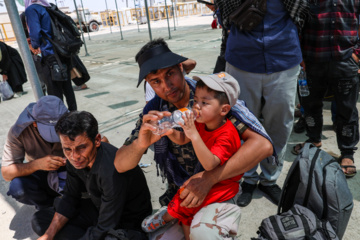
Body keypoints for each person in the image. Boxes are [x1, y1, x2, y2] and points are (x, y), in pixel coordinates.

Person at [114, 38, 274, 239]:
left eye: (170, 74)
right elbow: (120, 164)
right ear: (149, 84)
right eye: (156, 81)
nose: (167, 86)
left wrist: (209, 179)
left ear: (181, 68)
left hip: (218, 190)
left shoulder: (208, 98)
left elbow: (263, 145)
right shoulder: (155, 110)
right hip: (181, 195)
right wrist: (140, 144)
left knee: (205, 234)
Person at [218, 0, 303, 207]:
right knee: (242, 125)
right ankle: (247, 178)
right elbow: (224, 14)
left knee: (280, 124)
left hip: (284, 57)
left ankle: (269, 179)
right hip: (242, 59)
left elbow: (303, 13)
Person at [142, 73, 242, 239]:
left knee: (188, 199)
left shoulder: (227, 134)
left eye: (204, 103)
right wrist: (170, 131)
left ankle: (166, 217)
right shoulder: (202, 122)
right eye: (195, 101)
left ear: (223, 109)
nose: (196, 107)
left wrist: (194, 134)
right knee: (188, 200)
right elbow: (182, 139)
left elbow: (210, 164)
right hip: (207, 177)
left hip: (224, 183)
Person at [32, 111, 152, 240]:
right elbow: (70, 198)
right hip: (99, 209)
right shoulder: (75, 160)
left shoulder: (110, 170)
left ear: (97, 140)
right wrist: (47, 236)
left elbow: (107, 225)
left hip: (126, 224)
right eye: (67, 149)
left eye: (81, 147)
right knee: (40, 221)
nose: (74, 156)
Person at [292, 0, 359, 178]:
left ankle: (347, 153)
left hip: (345, 61)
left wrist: (357, 55)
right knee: (310, 105)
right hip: (312, 60)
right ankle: (314, 140)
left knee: (347, 109)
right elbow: (296, 25)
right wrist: (299, 55)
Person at [1, 96, 68, 209]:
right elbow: (6, 174)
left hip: (70, 169)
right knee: (18, 188)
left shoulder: (75, 121)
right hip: (41, 173)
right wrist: (36, 164)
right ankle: (48, 205)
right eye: (49, 131)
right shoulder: (18, 132)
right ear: (34, 123)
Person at [25, 0, 77, 111]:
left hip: (50, 55)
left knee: (54, 93)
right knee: (67, 88)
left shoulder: (32, 9)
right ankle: (74, 115)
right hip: (62, 52)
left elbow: (35, 33)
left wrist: (34, 45)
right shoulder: (48, 7)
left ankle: (60, 121)